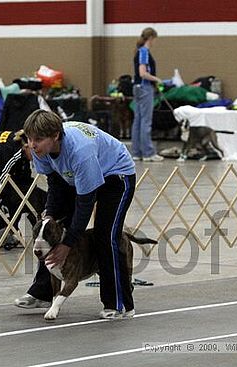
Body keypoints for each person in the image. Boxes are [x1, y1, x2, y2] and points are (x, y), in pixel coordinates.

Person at [14, 109, 137, 319]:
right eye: (30, 139)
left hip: (116, 175)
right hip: (72, 176)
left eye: (38, 140)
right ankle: (44, 293)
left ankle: (119, 303)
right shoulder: (40, 150)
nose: (32, 145)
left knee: (105, 236)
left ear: (55, 136)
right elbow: (54, 184)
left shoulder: (81, 152)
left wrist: (68, 243)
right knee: (50, 231)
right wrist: (50, 216)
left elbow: (85, 204)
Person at [131, 27, 164, 162]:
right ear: (151, 38)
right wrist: (157, 79)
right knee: (146, 121)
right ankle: (148, 153)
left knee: (138, 120)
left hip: (137, 88)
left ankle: (137, 152)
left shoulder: (139, 51)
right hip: (145, 88)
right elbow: (143, 73)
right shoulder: (144, 52)